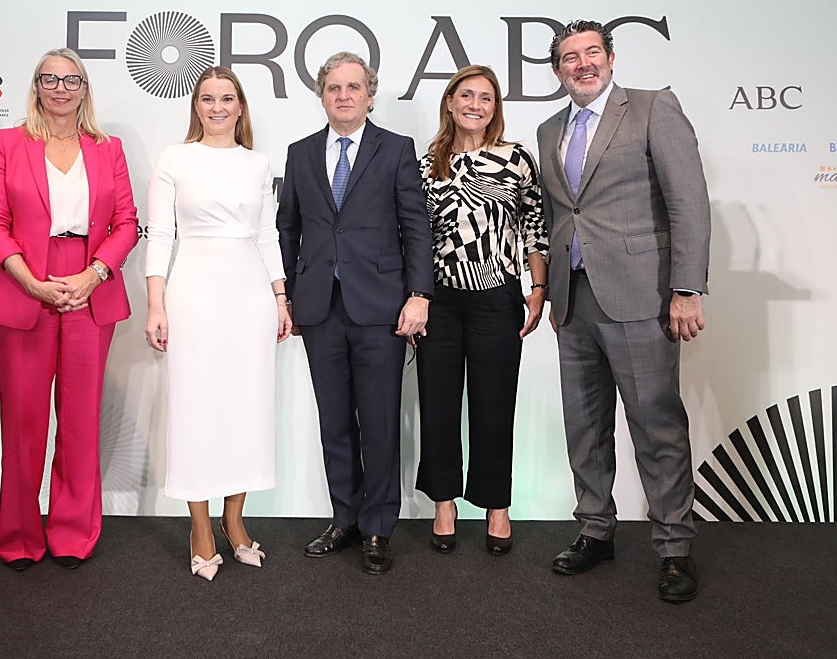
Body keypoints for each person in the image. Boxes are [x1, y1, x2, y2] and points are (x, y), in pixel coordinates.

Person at [536, 19, 710, 603]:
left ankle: (675, 547)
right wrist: (554, 290)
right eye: (570, 57)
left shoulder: (653, 108)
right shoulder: (549, 129)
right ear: (558, 69)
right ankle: (594, 529)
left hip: (642, 295)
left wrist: (686, 288)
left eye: (592, 53)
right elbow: (561, 215)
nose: (582, 64)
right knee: (584, 426)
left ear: (611, 58)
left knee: (656, 426)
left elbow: (688, 202)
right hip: (574, 300)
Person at [0, 49, 138, 571]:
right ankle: (19, 535)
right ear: (36, 87)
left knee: (80, 421)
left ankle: (72, 532)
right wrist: (29, 280)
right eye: (50, 79)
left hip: (90, 285)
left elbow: (127, 223)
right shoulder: (7, 143)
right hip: (23, 284)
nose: (60, 88)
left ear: (84, 88)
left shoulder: (108, 148)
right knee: (23, 422)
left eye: (71, 80)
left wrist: (94, 274)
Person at [277, 51, 432, 575]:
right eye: (333, 88)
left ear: (370, 94)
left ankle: (377, 527)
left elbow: (415, 227)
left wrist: (419, 294)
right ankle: (344, 518)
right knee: (335, 421)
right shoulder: (300, 153)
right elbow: (287, 229)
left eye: (353, 87)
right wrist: (287, 296)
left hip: (382, 307)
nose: (343, 95)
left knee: (380, 421)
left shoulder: (396, 149)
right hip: (319, 307)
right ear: (321, 95)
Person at [144, 66, 292, 582]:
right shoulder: (175, 158)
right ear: (196, 105)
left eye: (227, 98)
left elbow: (268, 235)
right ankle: (200, 527)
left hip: (250, 299)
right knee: (196, 411)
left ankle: (235, 519)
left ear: (240, 106)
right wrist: (156, 305)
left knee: (246, 409)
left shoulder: (258, 163)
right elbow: (160, 234)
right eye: (207, 98)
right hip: (193, 298)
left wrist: (280, 298)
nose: (217, 107)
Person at [415, 65, 549, 556]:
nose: (475, 104)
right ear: (450, 102)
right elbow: (414, 238)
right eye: (467, 95)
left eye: (486, 98)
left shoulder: (516, 159)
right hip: (439, 301)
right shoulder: (426, 164)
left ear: (495, 108)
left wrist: (538, 287)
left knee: (495, 406)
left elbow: (535, 226)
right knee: (438, 404)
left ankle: (496, 505)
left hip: (497, 297)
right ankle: (443, 503)